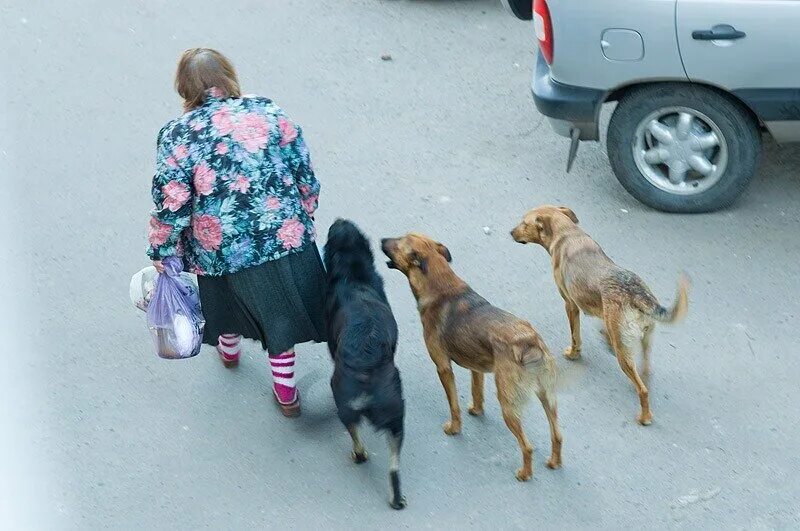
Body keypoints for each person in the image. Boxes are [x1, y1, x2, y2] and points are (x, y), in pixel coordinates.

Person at [146, 48, 326, 417]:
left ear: (184, 88)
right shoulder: (268, 110)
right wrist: (304, 214)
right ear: (230, 75)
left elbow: (173, 199)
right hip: (283, 235)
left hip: (219, 247)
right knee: (279, 318)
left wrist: (162, 248)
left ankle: (228, 351)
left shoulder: (178, 134)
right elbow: (303, 170)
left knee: (224, 305)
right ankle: (286, 394)